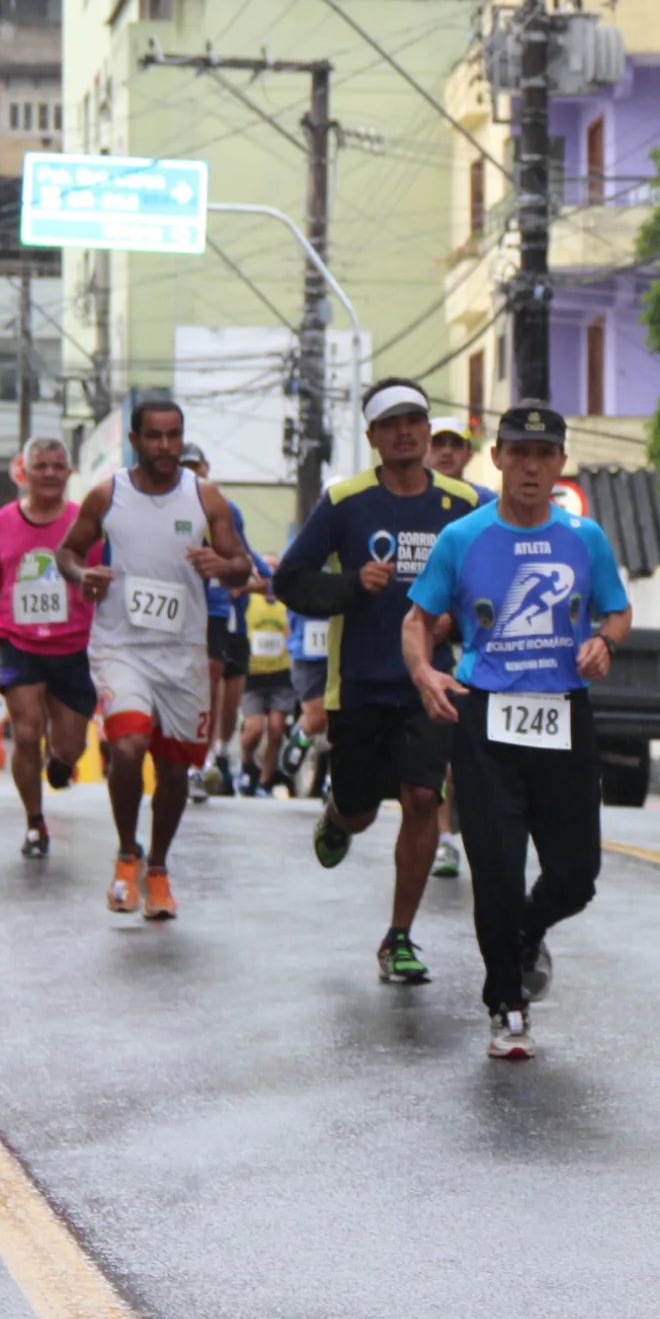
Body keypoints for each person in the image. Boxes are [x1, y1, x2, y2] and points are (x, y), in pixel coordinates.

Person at [404, 401, 628, 1060]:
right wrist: (425, 673)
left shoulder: (585, 537)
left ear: (560, 462)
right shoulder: (462, 538)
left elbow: (616, 611)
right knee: (495, 868)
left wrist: (604, 645)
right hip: (487, 715)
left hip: (563, 714)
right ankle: (507, 1001)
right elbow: (418, 617)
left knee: (577, 873)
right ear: (497, 457)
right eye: (518, 452)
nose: (531, 466)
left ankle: (528, 932)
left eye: (544, 454)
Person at [277, 379, 485, 982]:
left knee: (423, 798)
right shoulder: (344, 501)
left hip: (433, 685)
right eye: (391, 423)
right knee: (364, 808)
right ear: (371, 437)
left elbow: (484, 584)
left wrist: (455, 621)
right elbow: (289, 580)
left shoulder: (464, 504)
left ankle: (399, 936)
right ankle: (338, 815)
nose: (406, 431)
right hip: (361, 682)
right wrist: (352, 586)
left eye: (415, 420)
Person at [57, 401, 251, 918]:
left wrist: (222, 564)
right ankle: (126, 855)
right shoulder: (108, 494)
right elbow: (67, 552)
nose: (166, 447)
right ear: (136, 440)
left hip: (184, 653)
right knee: (128, 747)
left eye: (174, 436)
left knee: (171, 771)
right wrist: (82, 576)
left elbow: (241, 565)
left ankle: (158, 868)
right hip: (121, 646)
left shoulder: (204, 495)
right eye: (155, 437)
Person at [0, 436, 97, 859]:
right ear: (25, 472)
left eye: (58, 467)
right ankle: (35, 823)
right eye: (41, 467)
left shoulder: (84, 521)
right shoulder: (2, 521)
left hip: (73, 643)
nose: (50, 475)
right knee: (25, 731)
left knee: (70, 748)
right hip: (18, 639)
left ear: (69, 473)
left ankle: (59, 763)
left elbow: (98, 578)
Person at [423, 414, 487, 877]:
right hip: (423, 635)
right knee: (439, 746)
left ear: (468, 453)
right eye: (438, 442)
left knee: (470, 748)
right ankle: (444, 838)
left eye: (455, 444)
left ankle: (464, 836)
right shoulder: (411, 502)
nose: (447, 451)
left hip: (479, 635)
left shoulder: (487, 505)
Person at [181, 444, 254, 794]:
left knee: (210, 681)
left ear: (207, 468)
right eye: (184, 468)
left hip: (214, 608)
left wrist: (231, 575)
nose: (191, 475)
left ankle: (203, 758)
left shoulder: (226, 509)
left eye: (196, 467)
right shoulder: (156, 506)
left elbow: (243, 560)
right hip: (172, 608)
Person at [236, 585, 295, 794]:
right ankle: (247, 763)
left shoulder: (287, 602)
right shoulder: (250, 600)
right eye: (266, 567)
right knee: (255, 728)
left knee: (277, 729)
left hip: (280, 675)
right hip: (253, 676)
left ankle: (264, 782)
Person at [274, 600, 330, 796]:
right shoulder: (301, 568)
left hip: (346, 642)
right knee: (318, 718)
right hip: (309, 648)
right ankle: (303, 733)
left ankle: (334, 780)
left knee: (346, 715)